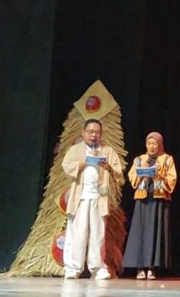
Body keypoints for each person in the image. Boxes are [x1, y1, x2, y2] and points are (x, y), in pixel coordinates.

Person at [61, 119, 124, 280]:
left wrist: (107, 167)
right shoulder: (76, 150)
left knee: (98, 234)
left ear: (101, 134)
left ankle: (97, 268)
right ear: (83, 133)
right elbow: (67, 166)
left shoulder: (107, 150)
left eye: (97, 132)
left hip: (99, 197)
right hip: (80, 197)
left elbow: (119, 172)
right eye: (90, 132)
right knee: (77, 232)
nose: (94, 135)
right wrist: (84, 163)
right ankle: (73, 268)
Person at [123, 132, 178, 279]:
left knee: (154, 232)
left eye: (155, 144)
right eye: (149, 144)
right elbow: (132, 176)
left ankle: (151, 268)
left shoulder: (167, 159)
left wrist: (157, 176)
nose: (152, 147)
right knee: (140, 232)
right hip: (143, 198)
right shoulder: (140, 159)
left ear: (160, 144)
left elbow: (172, 179)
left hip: (159, 199)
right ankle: (140, 268)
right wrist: (142, 173)